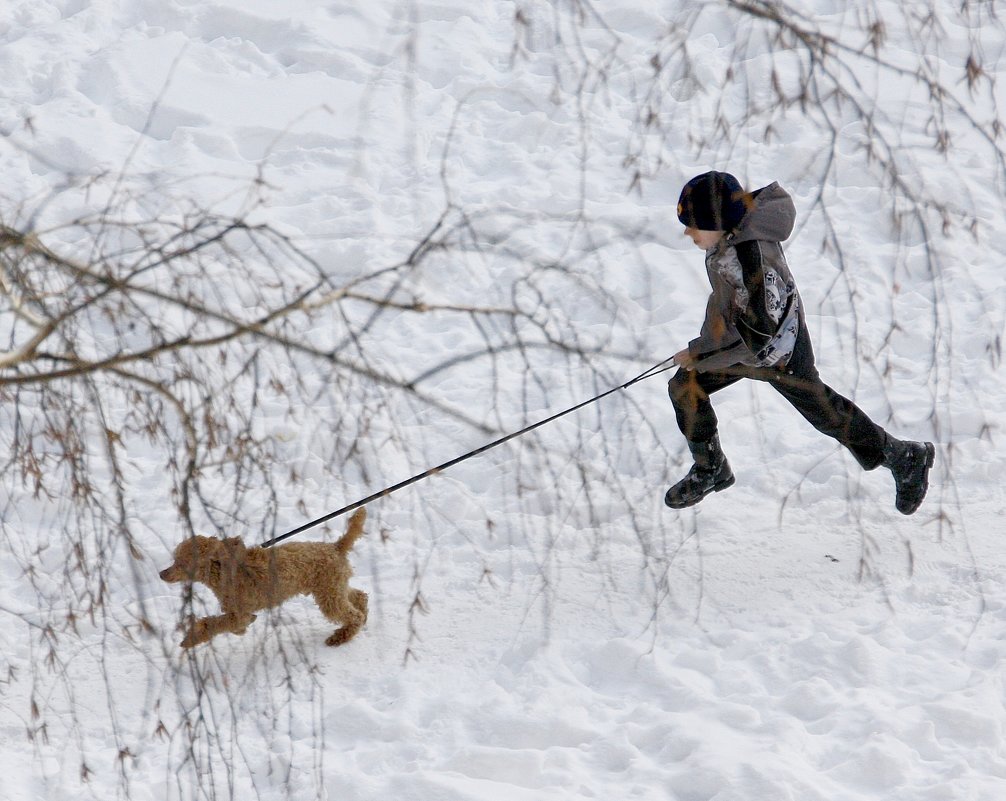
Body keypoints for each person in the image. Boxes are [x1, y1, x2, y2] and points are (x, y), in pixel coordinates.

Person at [666, 171, 935, 514]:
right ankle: (711, 468)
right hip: (743, 344)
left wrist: (699, 353)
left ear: (717, 220)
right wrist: (701, 348)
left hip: (778, 348)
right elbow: (727, 307)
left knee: (825, 413)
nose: (688, 232)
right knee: (686, 386)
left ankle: (905, 457)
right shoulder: (726, 242)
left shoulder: (750, 258)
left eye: (693, 224)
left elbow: (759, 333)